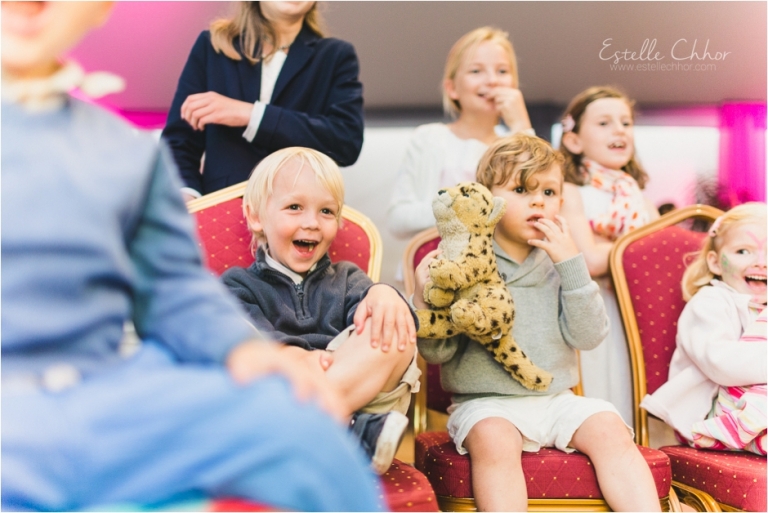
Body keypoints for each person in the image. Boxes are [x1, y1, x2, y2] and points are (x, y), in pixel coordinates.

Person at [1, 3, 381, 511]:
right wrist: (185, 196)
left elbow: (175, 289)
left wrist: (248, 356)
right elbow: (181, 137)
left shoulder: (124, 154)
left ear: (98, 10)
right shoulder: (213, 48)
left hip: (103, 396)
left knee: (303, 431)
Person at [414, 134, 660, 512]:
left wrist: (573, 266)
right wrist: (423, 297)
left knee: (610, 429)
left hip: (556, 399)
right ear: (488, 200)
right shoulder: (462, 263)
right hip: (485, 405)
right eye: (521, 189)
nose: (537, 201)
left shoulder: (560, 262)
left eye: (549, 192)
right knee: (494, 441)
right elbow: (435, 351)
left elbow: (589, 335)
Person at [222, 146, 421, 474]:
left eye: (326, 211)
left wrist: (386, 294)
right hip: (278, 393)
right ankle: (350, 433)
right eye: (295, 207)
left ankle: (314, 429)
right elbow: (240, 338)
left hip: (357, 392)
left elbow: (390, 325)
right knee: (242, 353)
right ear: (256, 216)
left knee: (393, 329)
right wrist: (292, 357)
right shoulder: (238, 284)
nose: (312, 223)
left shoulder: (347, 277)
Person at [161, 1, 364, 200]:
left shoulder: (335, 56)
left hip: (299, 213)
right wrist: (188, 195)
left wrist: (252, 115)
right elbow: (179, 141)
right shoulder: (212, 46)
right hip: (220, 211)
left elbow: (345, 141)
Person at [558, 86, 660, 425]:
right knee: (599, 392)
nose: (619, 130)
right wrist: (632, 249)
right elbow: (587, 262)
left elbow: (657, 269)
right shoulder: (570, 193)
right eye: (604, 123)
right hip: (592, 309)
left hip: (638, 312)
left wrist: (606, 245)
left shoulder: (643, 203)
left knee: (633, 390)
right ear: (573, 141)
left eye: (626, 123)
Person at [387, 26, 534, 242]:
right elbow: (398, 220)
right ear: (452, 88)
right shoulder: (429, 138)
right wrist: (460, 209)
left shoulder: (515, 146)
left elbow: (538, 204)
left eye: (502, 71)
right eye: (476, 71)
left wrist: (523, 129)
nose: (492, 80)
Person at [642, 203, 767, 454]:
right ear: (715, 263)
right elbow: (721, 363)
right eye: (743, 251)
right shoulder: (709, 303)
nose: (761, 263)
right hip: (715, 414)